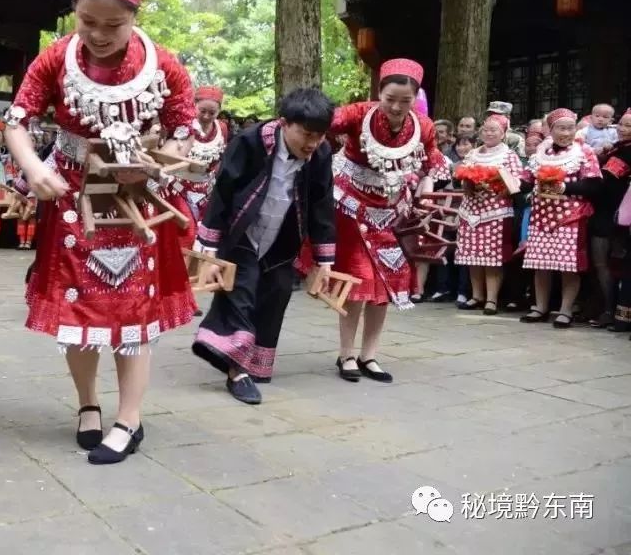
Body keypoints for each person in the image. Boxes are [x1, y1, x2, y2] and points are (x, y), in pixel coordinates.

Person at [3, 0, 197, 465]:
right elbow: (16, 122)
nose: (99, 35)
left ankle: (129, 419)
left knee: (134, 308)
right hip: (72, 197)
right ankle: (88, 405)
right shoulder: (55, 58)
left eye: (114, 25)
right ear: (74, 12)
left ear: (135, 16)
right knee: (76, 307)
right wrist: (33, 169)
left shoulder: (164, 63)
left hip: (135, 204)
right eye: (88, 22)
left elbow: (183, 129)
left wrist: (157, 166)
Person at [190, 88, 336, 404]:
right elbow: (223, 191)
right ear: (285, 123)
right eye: (306, 134)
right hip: (242, 231)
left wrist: (324, 259)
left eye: (320, 136)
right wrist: (209, 246)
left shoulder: (320, 155)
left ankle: (251, 362)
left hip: (284, 237)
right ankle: (237, 373)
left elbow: (322, 204)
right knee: (241, 293)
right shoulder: (250, 141)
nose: (312, 143)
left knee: (277, 293)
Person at [327, 59, 446, 383]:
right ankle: (346, 354)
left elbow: (433, 155)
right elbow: (322, 123)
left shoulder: (423, 126)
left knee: (386, 284)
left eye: (404, 101)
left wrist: (426, 180)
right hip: (350, 204)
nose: (395, 107)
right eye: (389, 98)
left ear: (415, 99)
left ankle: (370, 355)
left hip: (391, 209)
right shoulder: (357, 114)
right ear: (378, 92)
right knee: (359, 279)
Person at [518, 108, 602, 328]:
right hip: (541, 215)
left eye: (570, 128)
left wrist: (565, 187)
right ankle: (540, 306)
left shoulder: (585, 151)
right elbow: (526, 179)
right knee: (541, 264)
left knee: (568, 266)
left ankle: (565, 309)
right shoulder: (540, 152)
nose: (566, 133)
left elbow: (594, 185)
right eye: (561, 128)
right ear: (551, 130)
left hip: (570, 216)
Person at [453, 114, 523, 315]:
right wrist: (466, 181)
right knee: (472, 256)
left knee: (491, 257)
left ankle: (492, 299)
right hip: (470, 210)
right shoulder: (473, 153)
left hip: (496, 211)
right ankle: (477, 295)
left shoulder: (509, 155)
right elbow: (459, 176)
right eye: (486, 129)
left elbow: (517, 181)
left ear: (503, 133)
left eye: (494, 130)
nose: (489, 133)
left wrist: (495, 183)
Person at [168, 85, 229, 249]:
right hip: (178, 186)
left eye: (212, 112)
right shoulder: (183, 126)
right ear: (194, 105)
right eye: (202, 111)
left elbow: (221, 158)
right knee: (185, 230)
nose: (206, 116)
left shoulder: (222, 128)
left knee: (204, 235)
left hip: (207, 190)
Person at [589, 109, 630, 329]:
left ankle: (613, 310)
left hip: (619, 217)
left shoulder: (626, 151)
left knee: (611, 265)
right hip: (603, 213)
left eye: (628, 126)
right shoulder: (615, 148)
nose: (623, 129)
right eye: (621, 124)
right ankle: (605, 308)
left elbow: (608, 183)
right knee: (601, 264)